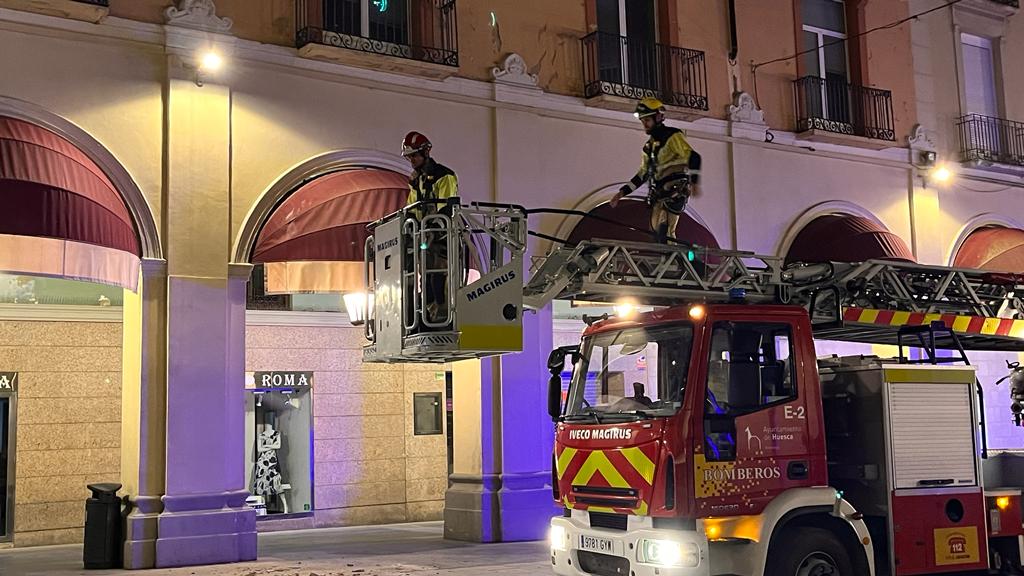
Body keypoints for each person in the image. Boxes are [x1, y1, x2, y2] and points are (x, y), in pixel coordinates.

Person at [610, 98, 702, 244]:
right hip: (659, 194)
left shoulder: (672, 136)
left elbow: (694, 157)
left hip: (674, 190)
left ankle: (676, 256)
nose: (644, 124)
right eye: (642, 121)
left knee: (666, 230)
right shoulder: (648, 147)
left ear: (658, 117)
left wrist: (695, 183)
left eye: (647, 120)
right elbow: (643, 174)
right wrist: (622, 193)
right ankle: (669, 255)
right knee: (655, 232)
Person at [401, 131, 459, 327]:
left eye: (414, 156)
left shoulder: (444, 176)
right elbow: (412, 208)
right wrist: (410, 228)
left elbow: (446, 209)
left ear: (425, 152)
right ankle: (429, 314)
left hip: (443, 240)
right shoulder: (416, 180)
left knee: (439, 277)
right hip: (425, 238)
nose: (412, 160)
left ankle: (442, 316)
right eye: (409, 157)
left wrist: (433, 231)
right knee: (425, 278)